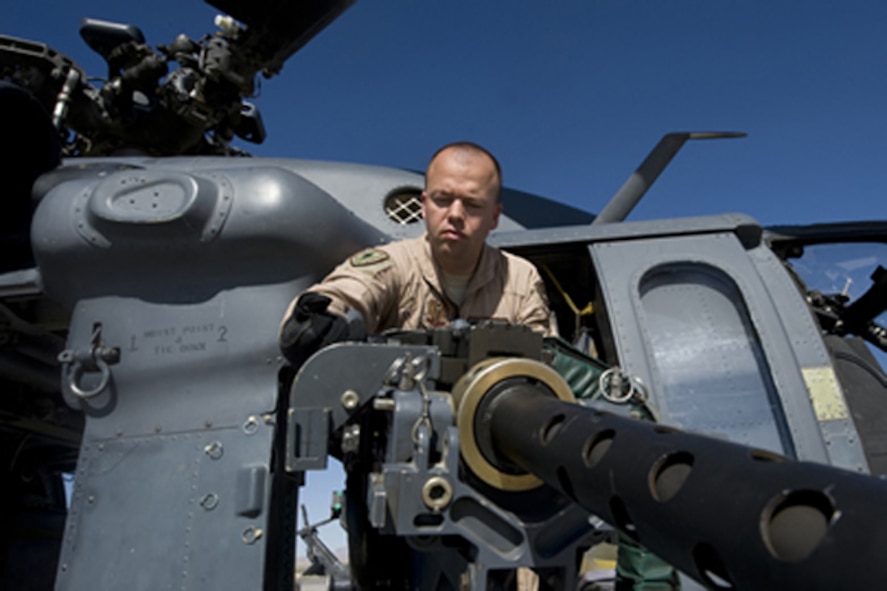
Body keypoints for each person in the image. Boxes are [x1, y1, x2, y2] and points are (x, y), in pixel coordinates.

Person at [279, 141, 555, 365]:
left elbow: (545, 358)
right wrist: (319, 321)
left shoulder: (520, 277)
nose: (455, 214)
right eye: (442, 200)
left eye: (472, 204)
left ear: (494, 217)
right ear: (424, 206)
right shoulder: (393, 265)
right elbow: (348, 292)